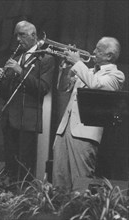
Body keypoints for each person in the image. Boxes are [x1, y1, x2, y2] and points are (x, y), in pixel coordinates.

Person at [52, 37, 125, 192]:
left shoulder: (116, 75)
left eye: (98, 49)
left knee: (80, 183)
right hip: (64, 129)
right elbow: (62, 87)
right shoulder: (88, 71)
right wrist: (65, 68)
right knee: (59, 181)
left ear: (109, 56)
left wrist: (78, 63)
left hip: (84, 134)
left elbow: (96, 86)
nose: (93, 52)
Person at [0, 21, 55, 181]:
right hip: (9, 119)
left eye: (22, 35)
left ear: (34, 35)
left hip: (27, 120)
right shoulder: (16, 57)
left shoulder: (45, 59)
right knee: (10, 165)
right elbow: (6, 93)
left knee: (25, 167)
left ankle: (22, 201)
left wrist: (20, 71)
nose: (18, 40)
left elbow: (43, 88)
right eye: (16, 35)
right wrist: (1, 80)